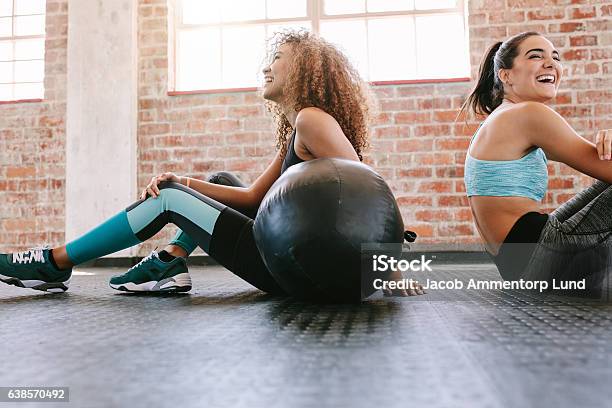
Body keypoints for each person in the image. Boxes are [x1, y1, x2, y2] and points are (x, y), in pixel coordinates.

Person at [0, 30, 424, 298]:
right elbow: (254, 197)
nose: (266, 65)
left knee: (166, 198)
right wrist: (184, 181)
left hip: (283, 267)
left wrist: (389, 269)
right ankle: (168, 261)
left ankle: (53, 263)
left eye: (279, 57)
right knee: (213, 182)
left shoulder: (313, 119)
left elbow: (364, 190)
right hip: (282, 259)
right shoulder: (298, 128)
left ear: (305, 69)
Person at [462, 31, 612, 292]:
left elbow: (602, 165)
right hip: (541, 256)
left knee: (601, 186)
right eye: (535, 56)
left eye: (555, 57)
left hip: (517, 263)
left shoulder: (504, 117)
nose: (551, 64)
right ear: (505, 75)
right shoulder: (529, 114)